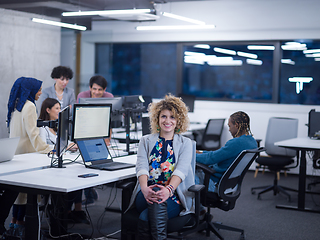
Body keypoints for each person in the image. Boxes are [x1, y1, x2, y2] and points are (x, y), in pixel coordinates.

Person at [125, 94, 195, 240]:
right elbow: (142, 166)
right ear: (157, 118)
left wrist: (168, 190)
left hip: (173, 196)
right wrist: (144, 188)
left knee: (146, 216)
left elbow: (181, 171)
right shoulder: (146, 140)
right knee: (156, 197)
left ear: (178, 120)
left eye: (172, 117)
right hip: (145, 194)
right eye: (163, 116)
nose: (167, 121)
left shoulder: (186, 143)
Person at [7, 77, 53, 237]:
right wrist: (48, 149)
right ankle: (20, 227)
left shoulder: (16, 104)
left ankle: (14, 224)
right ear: (31, 90)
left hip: (16, 153)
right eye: (39, 89)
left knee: (17, 193)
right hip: (27, 154)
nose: (40, 92)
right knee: (25, 194)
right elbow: (33, 134)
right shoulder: (29, 106)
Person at [38, 98, 88, 224]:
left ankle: (68, 212)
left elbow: (62, 140)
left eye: (60, 108)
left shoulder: (56, 126)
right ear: (48, 110)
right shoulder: (42, 127)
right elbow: (42, 146)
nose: (59, 111)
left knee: (78, 176)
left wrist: (72, 145)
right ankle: (61, 213)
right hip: (46, 163)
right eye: (57, 108)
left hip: (60, 159)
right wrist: (63, 147)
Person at [195, 111, 258, 193]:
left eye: (230, 126)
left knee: (184, 176)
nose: (229, 129)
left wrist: (190, 154)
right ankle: (197, 205)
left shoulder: (236, 143)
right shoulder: (252, 142)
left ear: (236, 125)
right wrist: (200, 152)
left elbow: (210, 159)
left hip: (214, 183)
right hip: (229, 185)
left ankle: (192, 205)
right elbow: (216, 154)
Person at [77, 75, 114, 206]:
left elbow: (109, 120)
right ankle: (88, 193)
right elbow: (79, 118)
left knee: (98, 159)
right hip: (86, 131)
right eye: (94, 89)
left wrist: (107, 140)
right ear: (90, 88)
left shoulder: (109, 97)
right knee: (86, 161)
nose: (97, 92)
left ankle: (90, 192)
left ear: (104, 89)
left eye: (100, 90)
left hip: (101, 131)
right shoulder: (83, 95)